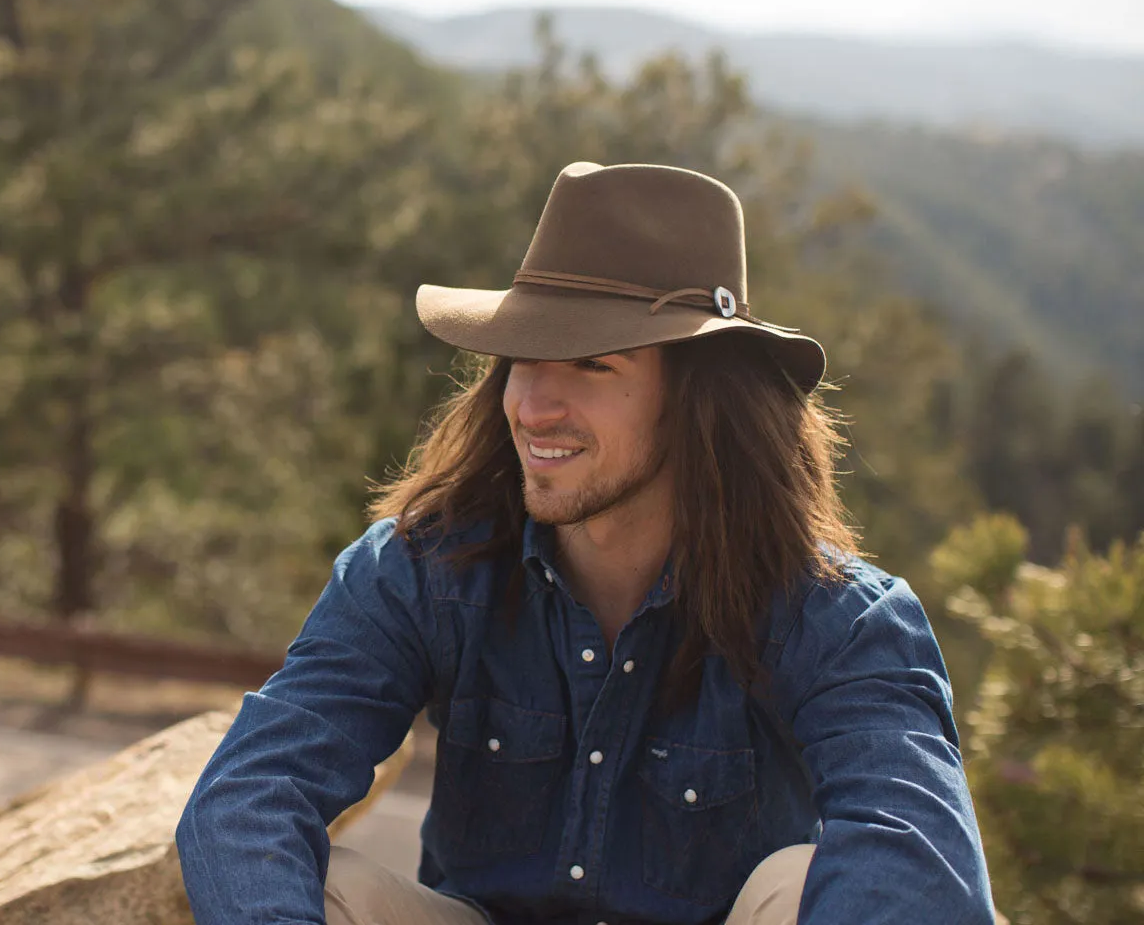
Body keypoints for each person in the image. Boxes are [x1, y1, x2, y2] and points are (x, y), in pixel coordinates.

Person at [176, 162, 997, 925]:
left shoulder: (839, 618)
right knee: (329, 889)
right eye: (521, 358)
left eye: (592, 365)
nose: (534, 405)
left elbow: (920, 863)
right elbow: (250, 794)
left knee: (802, 885)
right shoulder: (420, 572)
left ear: (701, 399)